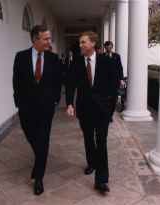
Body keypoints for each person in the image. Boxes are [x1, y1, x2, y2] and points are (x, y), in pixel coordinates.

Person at [66, 31, 119, 194]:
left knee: (101, 142)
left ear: (93, 44)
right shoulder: (76, 62)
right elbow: (70, 83)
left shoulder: (106, 61)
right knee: (89, 139)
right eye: (80, 42)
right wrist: (69, 103)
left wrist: (110, 108)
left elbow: (114, 84)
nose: (80, 45)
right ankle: (91, 163)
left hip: (102, 110)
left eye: (83, 42)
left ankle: (101, 180)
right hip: (84, 109)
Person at [12, 25, 62, 195]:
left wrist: (55, 100)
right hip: (26, 107)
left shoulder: (53, 58)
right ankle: (39, 159)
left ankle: (39, 178)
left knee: (44, 139)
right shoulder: (20, 57)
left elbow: (57, 81)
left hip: (46, 108)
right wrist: (18, 102)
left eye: (49, 38)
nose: (49, 41)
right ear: (35, 39)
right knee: (32, 137)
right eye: (46, 38)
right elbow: (16, 82)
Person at [104, 41, 126, 119]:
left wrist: (121, 79)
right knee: (106, 99)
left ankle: (110, 114)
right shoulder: (101, 56)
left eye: (110, 47)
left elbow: (120, 68)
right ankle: (106, 114)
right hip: (105, 82)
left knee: (114, 99)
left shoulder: (117, 56)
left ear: (112, 47)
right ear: (105, 47)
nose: (109, 48)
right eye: (107, 47)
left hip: (115, 81)